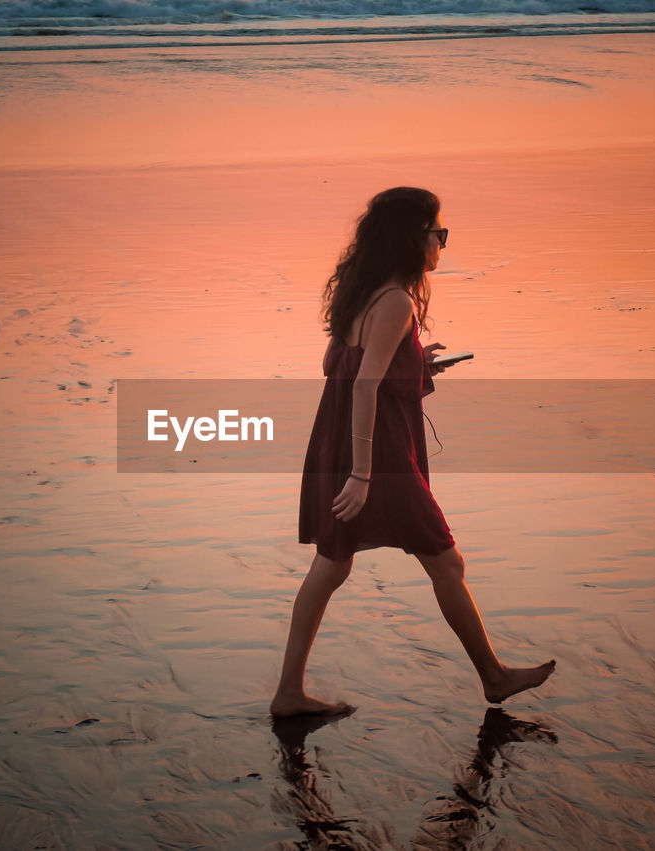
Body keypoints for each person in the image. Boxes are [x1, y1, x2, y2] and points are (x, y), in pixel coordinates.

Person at [270, 187, 556, 718]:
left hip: (340, 439)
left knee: (330, 566)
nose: (442, 244)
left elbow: (343, 365)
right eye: (438, 234)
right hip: (378, 456)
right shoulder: (397, 300)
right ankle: (493, 677)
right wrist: (362, 475)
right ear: (413, 238)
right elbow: (361, 386)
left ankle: (288, 693)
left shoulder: (364, 293)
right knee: (447, 561)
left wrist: (419, 363)